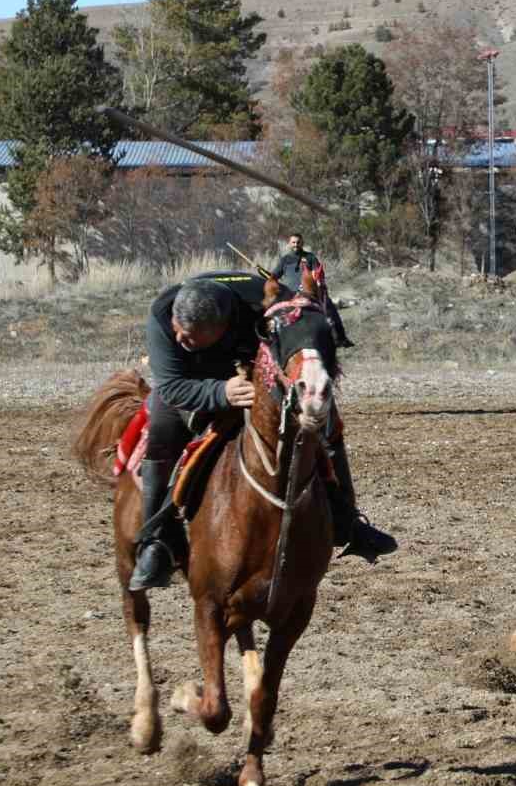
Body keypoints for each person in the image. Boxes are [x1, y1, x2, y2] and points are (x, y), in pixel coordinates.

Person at [128, 271, 395, 591]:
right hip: (192, 379)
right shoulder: (163, 315)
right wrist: (221, 392)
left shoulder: (268, 302)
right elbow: (172, 387)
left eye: (190, 336)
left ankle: (347, 519)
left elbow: (308, 329)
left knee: (326, 421)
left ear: (222, 328)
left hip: (258, 369)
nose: (179, 338)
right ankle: (156, 542)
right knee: (161, 429)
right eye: (178, 330)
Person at [271, 232, 354, 348]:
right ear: (289, 244)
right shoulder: (284, 260)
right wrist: (270, 279)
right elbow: (274, 276)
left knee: (330, 309)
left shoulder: (310, 257)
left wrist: (317, 283)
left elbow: (318, 273)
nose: (296, 245)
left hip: (310, 293)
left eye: (298, 242)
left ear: (302, 243)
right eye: (293, 242)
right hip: (291, 294)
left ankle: (341, 338)